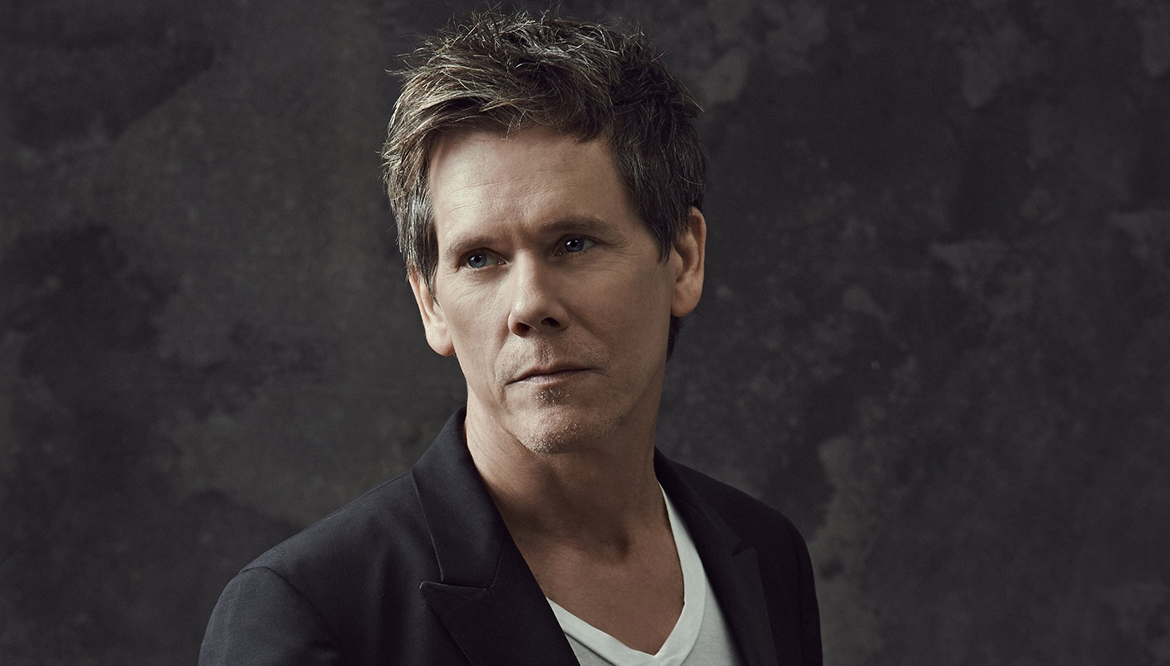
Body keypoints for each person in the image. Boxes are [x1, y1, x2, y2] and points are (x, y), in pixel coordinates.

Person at [200, 10, 823, 666]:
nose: (529, 306)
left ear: (684, 259)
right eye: (479, 259)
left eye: (573, 243)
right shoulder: (308, 614)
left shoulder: (767, 555)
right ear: (431, 302)